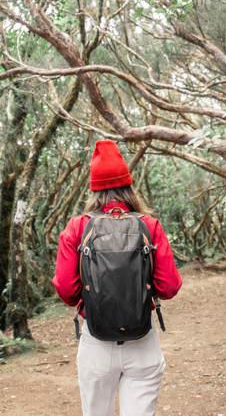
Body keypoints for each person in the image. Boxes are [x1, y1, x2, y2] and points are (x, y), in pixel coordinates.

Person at [53, 140, 182, 416]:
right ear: (128, 186)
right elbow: (169, 287)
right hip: (142, 340)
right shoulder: (149, 226)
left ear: (94, 188)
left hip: (96, 344)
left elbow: (66, 290)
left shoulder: (77, 228)